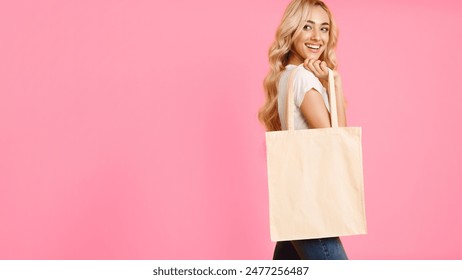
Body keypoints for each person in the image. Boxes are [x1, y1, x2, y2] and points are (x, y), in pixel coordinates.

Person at [258, 0, 348, 260]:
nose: (317, 37)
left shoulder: (286, 75)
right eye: (307, 26)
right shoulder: (304, 78)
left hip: (295, 200)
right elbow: (337, 141)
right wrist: (336, 84)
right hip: (312, 202)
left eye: (324, 28)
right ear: (292, 30)